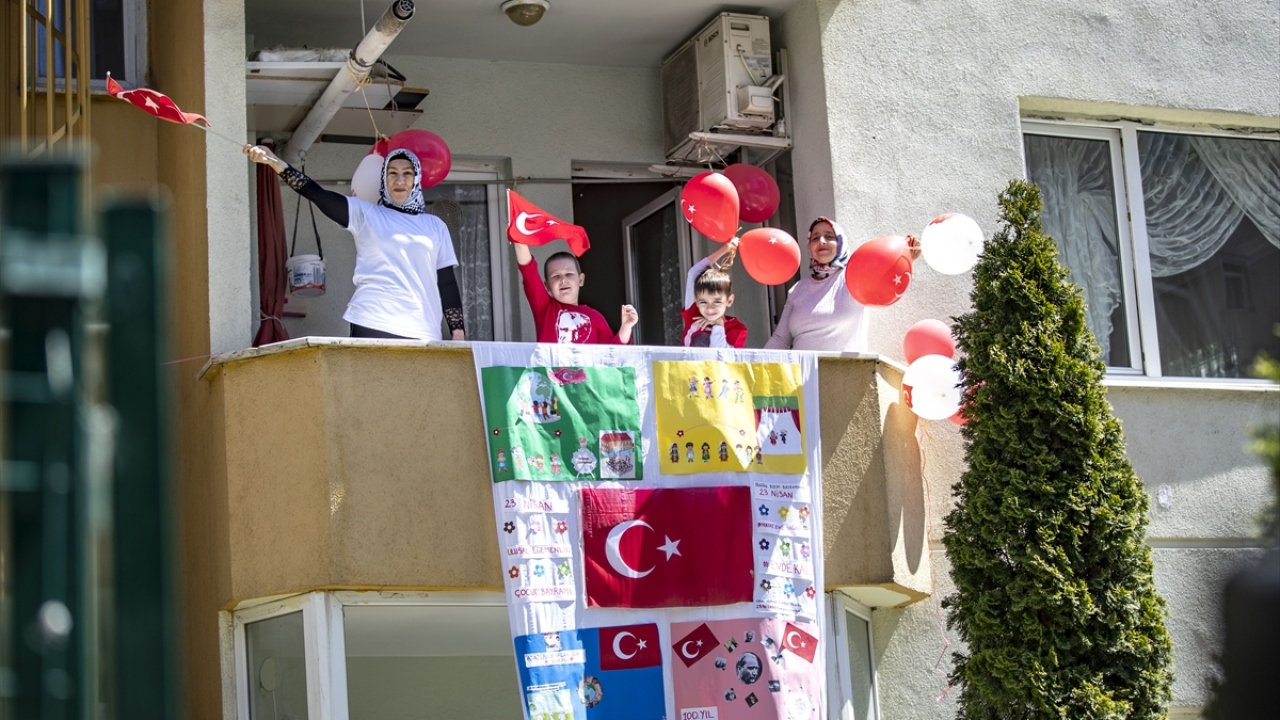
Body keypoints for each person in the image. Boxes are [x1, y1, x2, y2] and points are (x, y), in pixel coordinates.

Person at [245, 144, 465, 341]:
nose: (399, 180)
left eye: (407, 174)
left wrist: (457, 331)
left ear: (416, 179)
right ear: (384, 179)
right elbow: (317, 194)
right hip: (372, 321)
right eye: (392, 173)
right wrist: (276, 162)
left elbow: (446, 283)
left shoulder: (435, 226)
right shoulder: (366, 214)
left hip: (423, 329)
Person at [764, 216, 866, 352]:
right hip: (802, 371)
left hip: (844, 371)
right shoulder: (797, 289)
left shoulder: (854, 278)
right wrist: (753, 366)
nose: (822, 241)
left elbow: (883, 274)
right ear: (809, 247)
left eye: (829, 236)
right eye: (815, 238)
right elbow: (780, 340)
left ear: (841, 242)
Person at [512, 241, 637, 344]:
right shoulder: (545, 308)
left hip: (586, 374)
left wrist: (626, 327)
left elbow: (612, 354)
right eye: (555, 276)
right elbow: (529, 272)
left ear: (580, 280)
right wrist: (519, 241)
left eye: (569, 274)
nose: (563, 280)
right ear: (547, 286)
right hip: (550, 374)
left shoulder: (595, 316)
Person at [680, 238, 748, 348]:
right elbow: (693, 273)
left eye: (716, 302)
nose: (710, 308)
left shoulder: (736, 329)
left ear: (729, 300)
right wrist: (725, 249)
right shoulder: (693, 313)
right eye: (703, 302)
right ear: (696, 301)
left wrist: (719, 326)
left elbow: (722, 359)